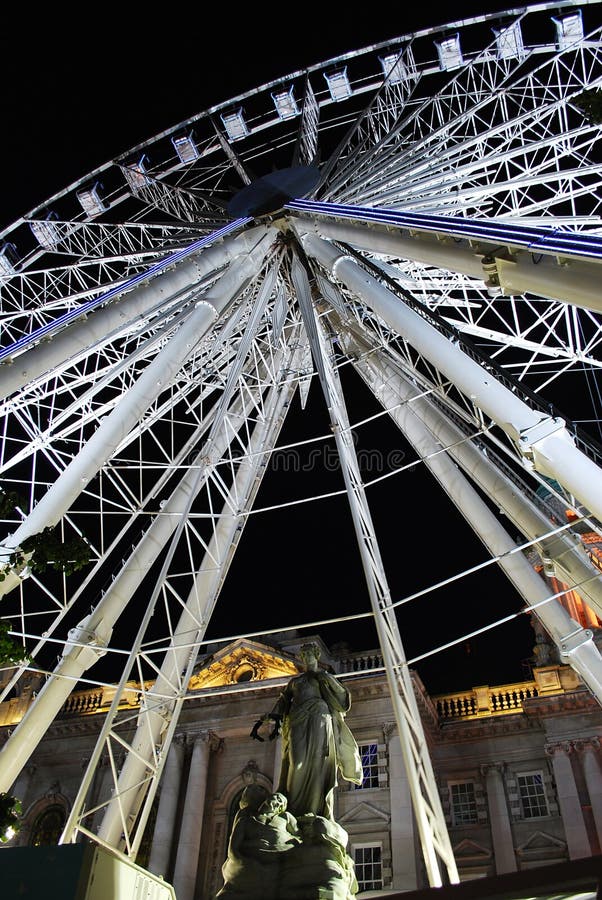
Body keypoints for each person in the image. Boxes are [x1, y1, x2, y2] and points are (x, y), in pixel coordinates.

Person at [252, 642, 362, 819]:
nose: (306, 658)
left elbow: (341, 697)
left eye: (309, 654)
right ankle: (292, 809)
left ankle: (313, 810)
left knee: (318, 764)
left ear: (316, 655)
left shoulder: (324, 676)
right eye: (303, 655)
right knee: (297, 763)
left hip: (319, 718)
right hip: (297, 721)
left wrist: (324, 678)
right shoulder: (295, 682)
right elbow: (283, 701)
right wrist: (272, 716)